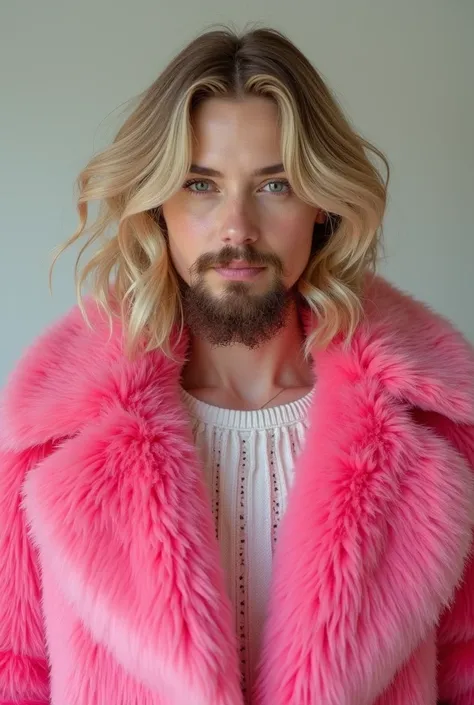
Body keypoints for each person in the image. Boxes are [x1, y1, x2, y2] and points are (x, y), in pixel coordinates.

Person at [0, 24, 473, 705]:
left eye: (275, 184)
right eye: (200, 183)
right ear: (157, 206)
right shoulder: (49, 439)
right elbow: (16, 677)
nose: (237, 226)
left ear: (322, 206)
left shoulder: (438, 425)